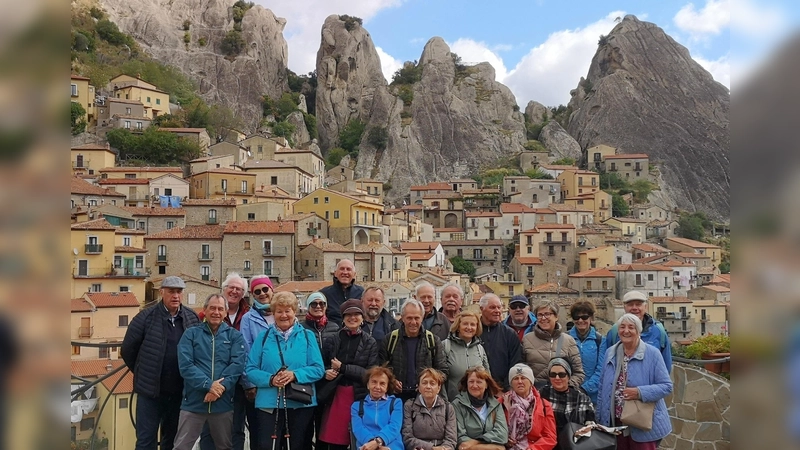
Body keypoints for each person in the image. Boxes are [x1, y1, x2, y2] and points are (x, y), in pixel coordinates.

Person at [121, 276, 200, 450]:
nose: (175, 296)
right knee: (145, 441)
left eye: (179, 292)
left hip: (179, 392)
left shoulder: (192, 318)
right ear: (161, 292)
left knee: (172, 440)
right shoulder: (145, 318)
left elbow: (198, 351)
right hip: (150, 393)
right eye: (171, 291)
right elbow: (127, 350)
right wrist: (144, 371)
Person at [245, 292, 325, 450]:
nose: (283, 315)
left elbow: (318, 369)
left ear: (294, 312)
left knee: (298, 446)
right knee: (267, 446)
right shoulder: (263, 337)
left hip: (300, 404)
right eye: (279, 311)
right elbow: (250, 369)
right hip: (268, 404)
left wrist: (295, 375)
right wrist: (271, 379)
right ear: (273, 313)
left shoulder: (307, 336)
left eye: (287, 310)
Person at [173, 294, 246, 450]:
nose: (216, 312)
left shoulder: (235, 336)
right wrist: (208, 385)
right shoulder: (191, 334)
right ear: (204, 310)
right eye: (212, 308)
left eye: (220, 309)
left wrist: (218, 390)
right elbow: (186, 365)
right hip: (193, 402)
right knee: (181, 447)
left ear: (226, 312)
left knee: (224, 447)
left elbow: (237, 365)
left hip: (223, 404)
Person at [597, 314, 673, 450]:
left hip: (641, 422)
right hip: (616, 423)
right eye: (622, 327)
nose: (626, 331)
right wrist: (600, 419)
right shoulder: (610, 353)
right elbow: (602, 386)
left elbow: (667, 386)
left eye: (631, 327)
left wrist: (640, 392)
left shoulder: (653, 353)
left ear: (638, 331)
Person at [318, 300, 379, 450]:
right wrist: (326, 372)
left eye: (356, 314)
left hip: (358, 395)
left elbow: (370, 373)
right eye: (348, 315)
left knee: (357, 440)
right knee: (335, 442)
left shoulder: (370, 342)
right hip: (336, 394)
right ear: (343, 318)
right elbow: (321, 365)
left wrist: (343, 368)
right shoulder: (332, 339)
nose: (352, 318)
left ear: (362, 317)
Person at [200, 273, 251, 450]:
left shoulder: (249, 315)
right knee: (208, 427)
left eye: (239, 289)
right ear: (224, 289)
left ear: (243, 293)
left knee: (236, 427)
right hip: (212, 380)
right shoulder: (207, 314)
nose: (235, 291)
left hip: (237, 381)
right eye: (231, 287)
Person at [379, 300, 447, 402]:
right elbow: (381, 368)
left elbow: (443, 371)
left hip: (424, 400)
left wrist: (426, 383)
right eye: (409, 318)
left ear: (422, 318)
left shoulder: (433, 340)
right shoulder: (390, 339)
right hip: (396, 399)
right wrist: (392, 381)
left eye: (417, 318)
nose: (413, 322)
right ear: (402, 318)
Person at [239, 275, 275, 450]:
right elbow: (246, 351)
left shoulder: (282, 313)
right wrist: (249, 384)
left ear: (272, 290)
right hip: (258, 384)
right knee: (258, 432)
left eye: (265, 289)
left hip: (281, 384)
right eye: (257, 291)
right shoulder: (247, 319)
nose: (262, 294)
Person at [601, 291, 672, 373]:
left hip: (651, 384)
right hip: (622, 384)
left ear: (645, 307)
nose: (634, 308)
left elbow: (666, 365)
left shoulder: (659, 331)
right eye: (630, 304)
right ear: (624, 307)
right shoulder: (615, 331)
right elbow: (606, 363)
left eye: (638, 304)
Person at [521, 301, 584, 390]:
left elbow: (578, 373)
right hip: (535, 395)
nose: (543, 318)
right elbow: (521, 370)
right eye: (540, 315)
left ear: (556, 317)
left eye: (547, 314)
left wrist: (565, 387)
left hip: (560, 397)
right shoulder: (527, 339)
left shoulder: (568, 341)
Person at [499, 364, 557, 450]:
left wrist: (533, 448)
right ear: (511, 383)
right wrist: (504, 440)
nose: (519, 381)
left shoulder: (544, 405)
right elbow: (492, 430)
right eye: (515, 378)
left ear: (531, 382)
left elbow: (550, 437)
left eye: (523, 378)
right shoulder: (501, 403)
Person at [539, 358, 595, 444]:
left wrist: (584, 431)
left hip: (574, 444)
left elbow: (591, 424)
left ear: (568, 376)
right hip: (546, 444)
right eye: (553, 374)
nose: (557, 378)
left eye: (561, 374)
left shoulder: (582, 398)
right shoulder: (541, 394)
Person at [451, 367, 508, 450]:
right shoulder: (457, 404)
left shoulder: (495, 404)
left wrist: (476, 441)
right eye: (471, 382)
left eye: (479, 382)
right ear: (466, 384)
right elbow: (461, 438)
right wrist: (492, 447)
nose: (474, 385)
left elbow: (502, 434)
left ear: (486, 385)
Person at [401, 368, 457, 450]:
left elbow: (451, 439)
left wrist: (443, 448)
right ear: (419, 387)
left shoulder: (448, 408)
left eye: (432, 383)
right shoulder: (409, 406)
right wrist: (432, 448)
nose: (428, 386)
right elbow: (407, 437)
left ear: (438, 388)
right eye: (424, 383)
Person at [351, 366, 404, 450]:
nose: (377, 387)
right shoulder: (357, 406)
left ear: (387, 387)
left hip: (391, 447)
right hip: (366, 446)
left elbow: (394, 426)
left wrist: (379, 441)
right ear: (368, 385)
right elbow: (358, 429)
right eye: (374, 382)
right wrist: (374, 444)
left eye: (382, 383)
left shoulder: (396, 403)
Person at [477, 294, 522, 390]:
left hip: (502, 390)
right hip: (476, 388)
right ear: (482, 309)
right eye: (492, 307)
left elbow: (516, 362)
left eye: (499, 307)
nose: (497, 311)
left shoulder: (509, 334)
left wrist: (505, 388)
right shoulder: (473, 331)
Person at [443, 310, 489, 401]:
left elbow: (487, 376)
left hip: (476, 404)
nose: (469, 327)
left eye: (473, 324)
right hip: (453, 403)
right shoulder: (446, 346)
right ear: (458, 326)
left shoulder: (480, 349)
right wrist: (445, 402)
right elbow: (440, 378)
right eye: (465, 324)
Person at [567, 301, 605, 405]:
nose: (580, 320)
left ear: (591, 318)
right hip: (569, 395)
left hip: (593, 397)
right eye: (576, 317)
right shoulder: (565, 339)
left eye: (584, 317)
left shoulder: (600, 340)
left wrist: (585, 389)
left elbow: (601, 370)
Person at [321, 259, 364, 326]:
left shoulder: (362, 293)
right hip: (331, 334)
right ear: (335, 273)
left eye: (348, 269)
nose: (345, 272)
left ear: (354, 274)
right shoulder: (324, 294)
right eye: (342, 269)